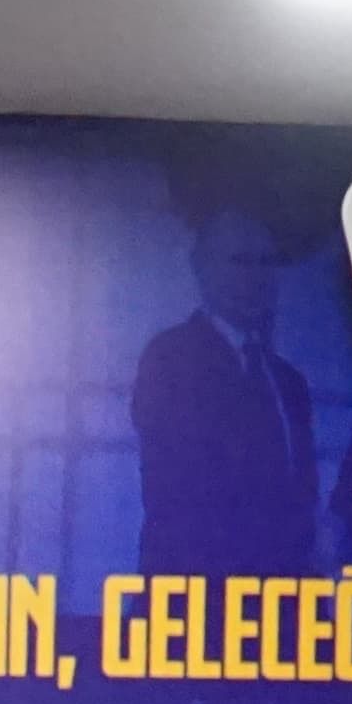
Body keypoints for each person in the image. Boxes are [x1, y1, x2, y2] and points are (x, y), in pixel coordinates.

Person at [132, 204, 324, 578]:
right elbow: (179, 487)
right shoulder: (170, 357)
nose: (255, 278)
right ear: (202, 267)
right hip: (195, 585)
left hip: (283, 592)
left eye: (266, 264)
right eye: (240, 262)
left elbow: (303, 495)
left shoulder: (288, 382)